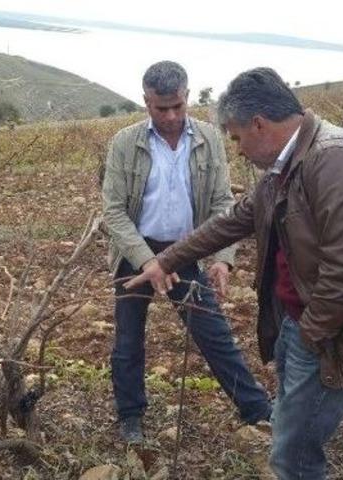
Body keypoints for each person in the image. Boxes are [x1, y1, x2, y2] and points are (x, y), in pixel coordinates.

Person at [126, 67, 343, 478]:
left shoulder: (336, 159)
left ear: (259, 125)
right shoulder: (290, 163)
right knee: (291, 437)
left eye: (236, 137)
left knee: (292, 457)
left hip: (330, 332)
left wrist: (309, 336)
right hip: (301, 321)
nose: (236, 150)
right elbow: (235, 220)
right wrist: (166, 261)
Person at [101, 60, 273, 444]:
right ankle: (130, 417)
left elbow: (222, 204)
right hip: (135, 254)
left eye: (178, 105)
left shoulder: (209, 137)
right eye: (161, 108)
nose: (171, 116)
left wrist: (222, 258)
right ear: (146, 101)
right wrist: (149, 261)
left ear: (187, 96)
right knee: (128, 340)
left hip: (186, 251)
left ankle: (256, 409)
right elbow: (113, 212)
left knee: (213, 332)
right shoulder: (125, 142)